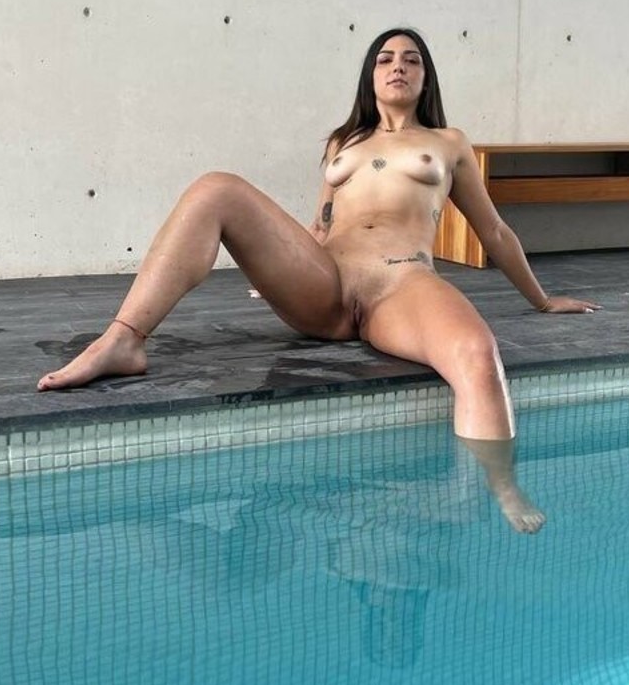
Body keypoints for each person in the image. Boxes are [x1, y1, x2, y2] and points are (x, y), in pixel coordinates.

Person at [38, 28, 600, 530]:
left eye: (411, 60)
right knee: (215, 188)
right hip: (326, 281)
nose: (398, 67)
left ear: (426, 78)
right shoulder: (342, 143)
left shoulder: (448, 143)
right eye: (385, 59)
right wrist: (276, 273)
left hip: (401, 285)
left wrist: (542, 299)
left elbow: (493, 230)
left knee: (476, 352)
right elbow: (320, 226)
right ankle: (124, 338)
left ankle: (495, 487)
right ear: (370, 77)